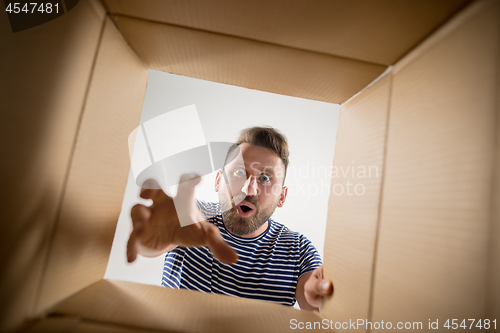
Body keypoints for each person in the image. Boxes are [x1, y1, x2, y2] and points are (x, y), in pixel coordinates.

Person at [127, 127, 333, 311]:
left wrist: (322, 302)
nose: (248, 189)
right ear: (218, 181)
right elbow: (149, 244)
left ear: (282, 196)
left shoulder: (299, 250)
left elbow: (315, 304)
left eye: (265, 178)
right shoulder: (192, 214)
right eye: (239, 172)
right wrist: (147, 238)